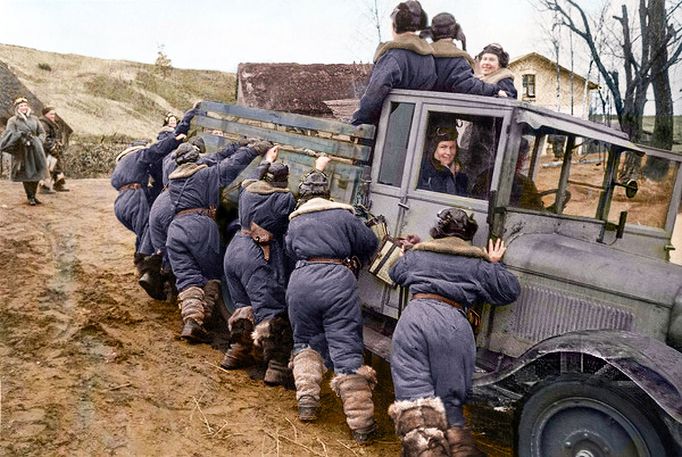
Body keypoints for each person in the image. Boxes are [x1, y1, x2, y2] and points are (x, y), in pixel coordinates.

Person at [387, 208, 520, 456]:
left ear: (438, 232)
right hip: (455, 326)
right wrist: (494, 264)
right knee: (450, 400)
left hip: (415, 320)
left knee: (415, 396)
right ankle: (461, 448)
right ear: (469, 234)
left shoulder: (419, 255)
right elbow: (510, 291)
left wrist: (412, 249)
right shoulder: (477, 263)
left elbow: (395, 272)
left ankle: (424, 450)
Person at [286, 156, 379, 443]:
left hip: (301, 281)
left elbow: (291, 250)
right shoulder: (343, 216)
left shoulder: (296, 221)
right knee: (346, 348)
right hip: (337, 280)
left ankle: (307, 403)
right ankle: (362, 425)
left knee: (306, 341)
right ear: (327, 194)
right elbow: (370, 243)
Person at [166, 138, 275, 343]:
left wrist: (239, 144)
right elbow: (232, 165)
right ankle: (205, 315)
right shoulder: (205, 175)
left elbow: (216, 158)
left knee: (188, 277)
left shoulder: (174, 179)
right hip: (200, 227)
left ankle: (193, 322)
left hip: (176, 229)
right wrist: (254, 149)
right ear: (195, 159)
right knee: (211, 274)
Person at [221, 147, 298, 389]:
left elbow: (254, 176)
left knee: (244, 306)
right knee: (270, 312)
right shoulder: (283, 199)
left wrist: (266, 161)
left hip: (235, 250)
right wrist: (318, 170)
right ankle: (275, 368)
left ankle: (234, 354)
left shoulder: (247, 191)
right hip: (257, 255)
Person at [110, 106, 196, 299]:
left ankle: (141, 267)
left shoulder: (122, 166)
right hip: (134, 196)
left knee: (144, 232)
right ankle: (150, 274)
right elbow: (156, 150)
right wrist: (175, 140)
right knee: (150, 228)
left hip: (120, 203)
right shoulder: (138, 155)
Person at [351, 1, 436, 126]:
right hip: (418, 129)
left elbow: (374, 95)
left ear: (395, 25)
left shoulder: (394, 56)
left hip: (390, 132)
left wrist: (357, 121)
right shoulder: (429, 58)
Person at [425, 13, 508, 97]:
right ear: (456, 31)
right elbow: (465, 85)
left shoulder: (422, 56)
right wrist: (495, 90)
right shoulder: (457, 61)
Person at [0, 97, 47, 206]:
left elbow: (42, 132)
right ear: (17, 108)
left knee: (37, 173)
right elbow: (10, 134)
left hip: (36, 149)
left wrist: (38, 141)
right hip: (22, 150)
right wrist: (22, 139)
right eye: (21, 106)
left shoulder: (34, 119)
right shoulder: (13, 120)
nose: (24, 108)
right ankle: (30, 196)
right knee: (27, 174)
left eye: (25, 106)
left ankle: (34, 196)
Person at [418, 127, 468, 195]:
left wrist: (456, 175)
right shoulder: (426, 174)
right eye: (443, 147)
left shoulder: (459, 173)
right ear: (434, 148)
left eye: (452, 147)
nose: (448, 152)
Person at [39, 106, 69, 192]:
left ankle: (58, 185)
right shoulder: (44, 124)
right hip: (47, 149)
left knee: (57, 166)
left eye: (54, 114)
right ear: (45, 114)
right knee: (49, 167)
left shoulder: (51, 123)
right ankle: (44, 187)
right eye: (51, 114)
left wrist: (58, 143)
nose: (53, 116)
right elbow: (45, 138)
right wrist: (52, 147)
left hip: (53, 147)